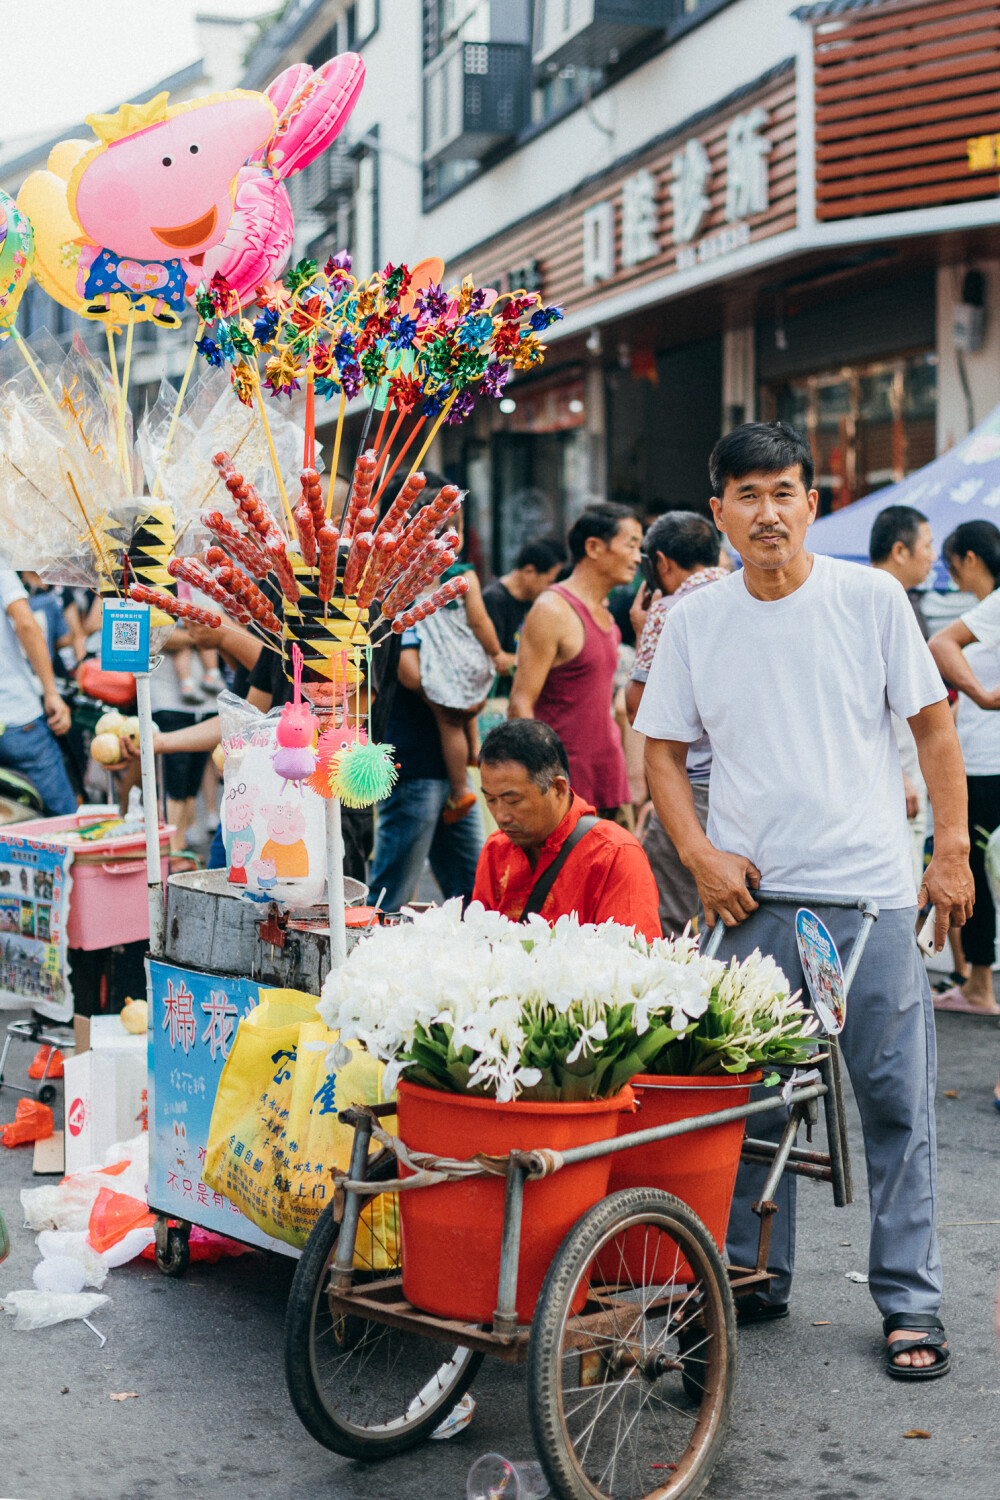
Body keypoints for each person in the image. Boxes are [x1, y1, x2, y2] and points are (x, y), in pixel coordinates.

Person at [636, 420, 972, 1380]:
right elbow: (660, 750)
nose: (768, 512)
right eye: (748, 495)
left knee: (894, 1107)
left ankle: (910, 1303)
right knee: (745, 1106)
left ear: (811, 504)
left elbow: (933, 729)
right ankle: (746, 1274)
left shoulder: (868, 600)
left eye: (784, 492)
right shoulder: (699, 620)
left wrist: (951, 852)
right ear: (720, 513)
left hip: (867, 902)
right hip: (754, 907)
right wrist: (699, 853)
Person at [625, 510, 729, 936]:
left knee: (658, 912)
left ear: (661, 563)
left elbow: (640, 706)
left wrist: (642, 630)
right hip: (752, 785)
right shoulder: (749, 595)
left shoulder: (669, 611)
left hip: (696, 787)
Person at [509, 503, 641, 817]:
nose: (638, 557)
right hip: (562, 787)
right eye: (632, 544)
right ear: (594, 547)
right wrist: (537, 785)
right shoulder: (553, 609)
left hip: (607, 778)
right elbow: (520, 704)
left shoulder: (607, 614)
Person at [473, 720, 661, 938]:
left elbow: (631, 959)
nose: (500, 816)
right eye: (490, 800)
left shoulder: (615, 853)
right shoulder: (496, 849)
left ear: (558, 788)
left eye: (513, 801)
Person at [927, 520, 1000, 1017]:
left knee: (976, 872)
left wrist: (980, 696)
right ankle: (976, 983)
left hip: (983, 762)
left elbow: (940, 644)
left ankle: (979, 987)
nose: (952, 575)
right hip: (982, 758)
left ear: (971, 558)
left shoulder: (995, 604)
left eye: (951, 563)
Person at [413, 509, 515, 823]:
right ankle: (471, 756)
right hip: (467, 656)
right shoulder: (464, 575)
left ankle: (460, 790)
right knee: (465, 706)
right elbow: (479, 621)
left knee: (449, 722)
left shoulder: (412, 577)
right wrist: (496, 653)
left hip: (441, 662)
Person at [869, 504, 938, 893]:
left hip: (907, 773)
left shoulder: (907, 604)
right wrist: (898, 772)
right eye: (926, 545)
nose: (932, 555)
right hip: (896, 779)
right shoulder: (874, 603)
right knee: (902, 894)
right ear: (900, 551)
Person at [0, 566, 75, 816]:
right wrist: (51, 692)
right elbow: (26, 624)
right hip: (15, 715)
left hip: (15, 717)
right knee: (62, 822)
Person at [482, 538, 565, 697]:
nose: (551, 589)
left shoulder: (533, 600)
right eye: (549, 582)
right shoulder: (494, 599)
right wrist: (542, 661)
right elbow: (497, 661)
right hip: (497, 697)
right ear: (529, 572)